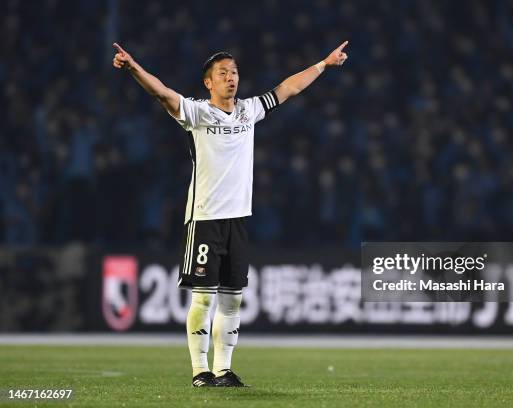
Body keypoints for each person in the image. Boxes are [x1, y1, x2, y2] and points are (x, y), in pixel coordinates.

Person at [112, 40, 349, 387]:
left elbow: (288, 88)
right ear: (208, 83)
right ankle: (199, 371)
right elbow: (162, 93)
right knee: (204, 296)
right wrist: (133, 68)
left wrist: (323, 64)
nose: (231, 78)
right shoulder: (197, 112)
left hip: (238, 218)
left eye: (234, 72)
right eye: (222, 73)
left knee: (233, 298)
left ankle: (223, 369)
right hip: (205, 217)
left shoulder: (249, 110)